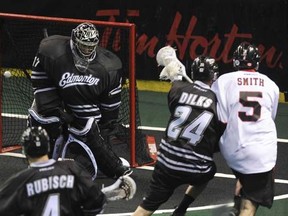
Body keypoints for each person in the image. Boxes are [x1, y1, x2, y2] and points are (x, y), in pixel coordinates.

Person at [29, 22, 131, 179]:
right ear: (74, 41)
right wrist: (53, 107)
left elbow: (110, 106)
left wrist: (103, 124)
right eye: (84, 45)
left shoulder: (109, 67)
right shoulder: (51, 51)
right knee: (43, 118)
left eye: (91, 46)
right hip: (57, 97)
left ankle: (110, 165)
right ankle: (43, 161)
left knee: (91, 127)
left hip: (84, 101)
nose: (88, 50)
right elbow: (40, 78)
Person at [132, 47, 221, 216]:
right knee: (210, 169)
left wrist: (175, 73)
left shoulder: (177, 90)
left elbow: (177, 88)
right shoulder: (217, 101)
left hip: (166, 164)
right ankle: (182, 208)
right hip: (196, 168)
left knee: (144, 210)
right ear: (214, 76)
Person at [0, 126, 136, 216]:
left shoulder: (20, 181)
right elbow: (96, 204)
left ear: (25, 152)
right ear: (48, 146)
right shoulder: (71, 168)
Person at [211, 42, 279, 216]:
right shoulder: (271, 85)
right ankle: (241, 208)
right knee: (250, 206)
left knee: (244, 171)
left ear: (235, 61)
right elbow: (270, 117)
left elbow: (222, 120)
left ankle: (235, 207)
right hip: (262, 153)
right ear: (256, 62)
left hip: (233, 152)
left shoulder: (223, 81)